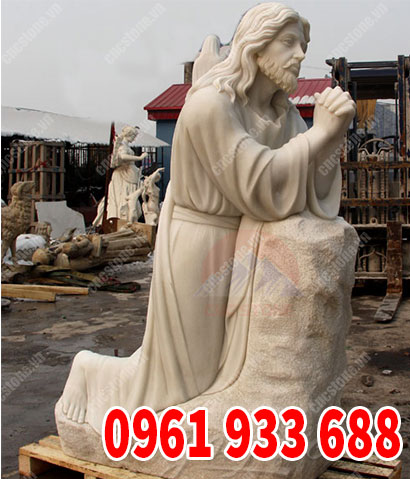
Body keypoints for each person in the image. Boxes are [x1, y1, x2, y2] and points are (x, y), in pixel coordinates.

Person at [58, 2, 356, 432]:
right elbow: (258, 183)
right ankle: (90, 371)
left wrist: (331, 137)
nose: (299, 56)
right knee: (178, 383)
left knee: (218, 372)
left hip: (247, 246)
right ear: (256, 47)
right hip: (201, 240)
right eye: (289, 44)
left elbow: (308, 186)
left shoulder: (284, 114)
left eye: (303, 47)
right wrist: (321, 134)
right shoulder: (211, 106)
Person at [93, 125, 147, 226]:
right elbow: (122, 156)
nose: (134, 139)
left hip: (129, 175)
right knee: (124, 199)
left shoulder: (125, 145)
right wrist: (139, 158)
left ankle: (128, 221)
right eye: (134, 136)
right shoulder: (122, 145)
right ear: (129, 134)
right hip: (123, 175)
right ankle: (123, 221)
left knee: (130, 199)